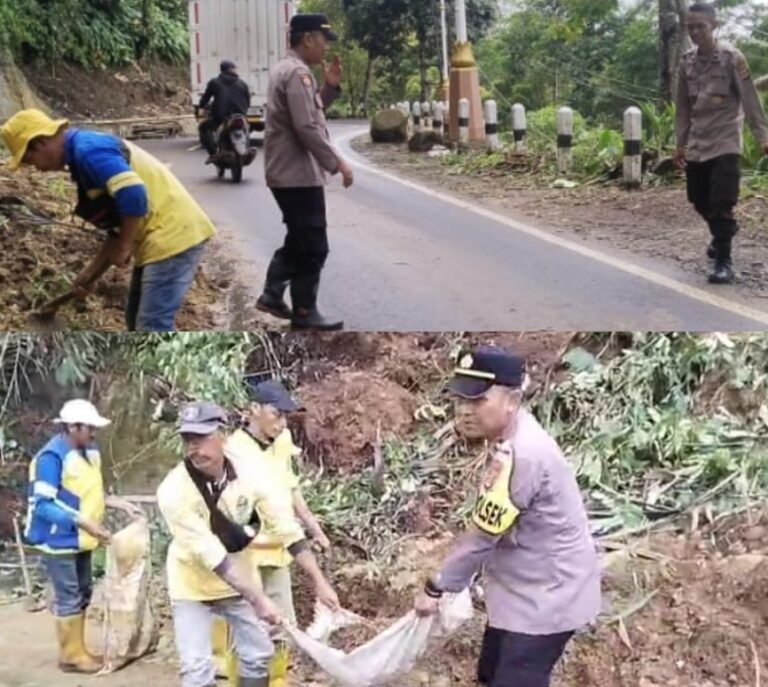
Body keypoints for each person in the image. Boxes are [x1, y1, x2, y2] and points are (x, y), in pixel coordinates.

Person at [413, 346, 601, 687]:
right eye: (460, 400)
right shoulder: (513, 437)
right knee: (489, 673)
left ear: (512, 401)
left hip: (547, 597)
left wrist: (437, 586)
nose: (464, 411)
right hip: (523, 589)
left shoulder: (523, 455)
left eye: (478, 401)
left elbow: (483, 537)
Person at [157, 401, 340, 687]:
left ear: (223, 435)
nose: (194, 448)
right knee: (196, 669)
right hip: (190, 584)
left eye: (202, 438)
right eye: (188, 440)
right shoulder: (173, 492)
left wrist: (319, 581)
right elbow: (213, 555)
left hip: (237, 581)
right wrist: (259, 599)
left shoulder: (249, 472)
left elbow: (284, 525)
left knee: (258, 656)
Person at [1, 109, 215, 330]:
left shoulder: (89, 151)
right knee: (135, 322)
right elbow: (118, 225)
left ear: (40, 142)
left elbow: (133, 194)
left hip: (173, 235)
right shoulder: (82, 156)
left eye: (29, 159)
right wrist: (91, 274)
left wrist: (125, 244)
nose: (36, 168)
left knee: (152, 324)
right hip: (159, 237)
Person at [211, 379, 331, 686]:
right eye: (276, 414)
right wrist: (318, 579)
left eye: (285, 416)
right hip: (245, 556)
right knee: (247, 626)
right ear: (254, 410)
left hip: (278, 551)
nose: (282, 422)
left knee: (282, 624)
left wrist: (315, 528)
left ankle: (277, 681)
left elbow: (290, 489)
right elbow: (273, 514)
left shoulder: (282, 441)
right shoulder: (235, 451)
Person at [257, 13, 354, 331]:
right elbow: (307, 126)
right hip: (296, 174)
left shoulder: (292, 72)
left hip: (290, 173)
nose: (326, 47)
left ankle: (283, 300)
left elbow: (309, 112)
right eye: (324, 40)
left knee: (302, 239)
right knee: (313, 245)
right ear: (308, 38)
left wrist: (329, 88)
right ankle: (299, 309)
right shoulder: (297, 74)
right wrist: (337, 162)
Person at [675, 2, 768, 284]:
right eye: (690, 27)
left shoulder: (732, 58)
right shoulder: (686, 62)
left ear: (714, 26)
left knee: (721, 201)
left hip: (726, 142)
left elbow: (751, 101)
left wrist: (763, 137)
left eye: (700, 26)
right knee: (698, 199)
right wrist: (680, 143)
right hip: (699, 143)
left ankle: (723, 261)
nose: (694, 32)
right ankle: (722, 232)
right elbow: (682, 107)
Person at [23, 400, 113, 674]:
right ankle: (72, 655)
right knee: (70, 595)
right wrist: (82, 521)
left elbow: (88, 492)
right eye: (89, 428)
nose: (93, 433)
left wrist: (116, 503)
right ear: (72, 428)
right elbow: (43, 504)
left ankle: (76, 648)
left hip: (82, 536)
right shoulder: (51, 457)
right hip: (59, 538)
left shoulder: (89, 451)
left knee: (84, 591)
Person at [197, 60, 252, 161]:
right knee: (247, 128)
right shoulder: (242, 84)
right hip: (240, 115)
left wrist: (202, 107)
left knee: (203, 128)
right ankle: (247, 147)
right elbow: (248, 101)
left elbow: (205, 98)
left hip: (221, 118)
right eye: (234, 68)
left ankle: (213, 153)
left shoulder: (214, 82)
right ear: (232, 70)